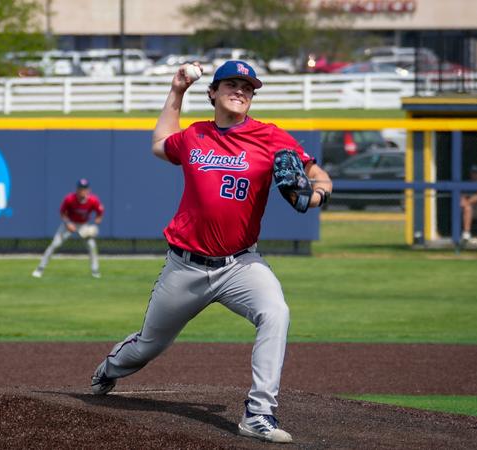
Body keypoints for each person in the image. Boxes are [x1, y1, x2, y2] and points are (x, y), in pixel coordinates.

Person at [89, 60, 333, 444]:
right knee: (148, 346)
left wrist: (316, 195)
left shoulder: (271, 138)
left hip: (240, 264)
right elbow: (158, 144)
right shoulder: (195, 136)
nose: (241, 91)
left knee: (276, 313)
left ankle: (259, 413)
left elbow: (319, 177)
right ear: (213, 92)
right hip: (184, 267)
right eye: (232, 84)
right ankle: (110, 366)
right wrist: (176, 90)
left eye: (248, 87)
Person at [32, 178, 104, 278]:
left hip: (83, 225)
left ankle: (95, 271)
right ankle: (40, 269)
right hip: (69, 223)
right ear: (77, 189)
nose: (82, 191)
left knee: (91, 246)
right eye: (80, 188)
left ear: (88, 190)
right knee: (55, 244)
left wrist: (98, 220)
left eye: (85, 188)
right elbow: (62, 213)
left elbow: (100, 212)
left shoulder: (93, 200)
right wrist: (68, 223)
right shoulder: (70, 199)